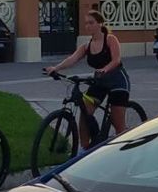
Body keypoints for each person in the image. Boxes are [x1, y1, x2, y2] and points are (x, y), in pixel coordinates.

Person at [42, 10, 130, 153]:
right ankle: (85, 149)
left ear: (100, 24)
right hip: (99, 82)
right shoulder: (87, 46)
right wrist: (56, 68)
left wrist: (104, 69)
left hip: (117, 81)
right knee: (84, 110)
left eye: (91, 23)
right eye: (86, 23)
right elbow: (72, 59)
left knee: (118, 122)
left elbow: (116, 60)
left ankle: (125, 150)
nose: (88, 26)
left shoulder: (110, 39)